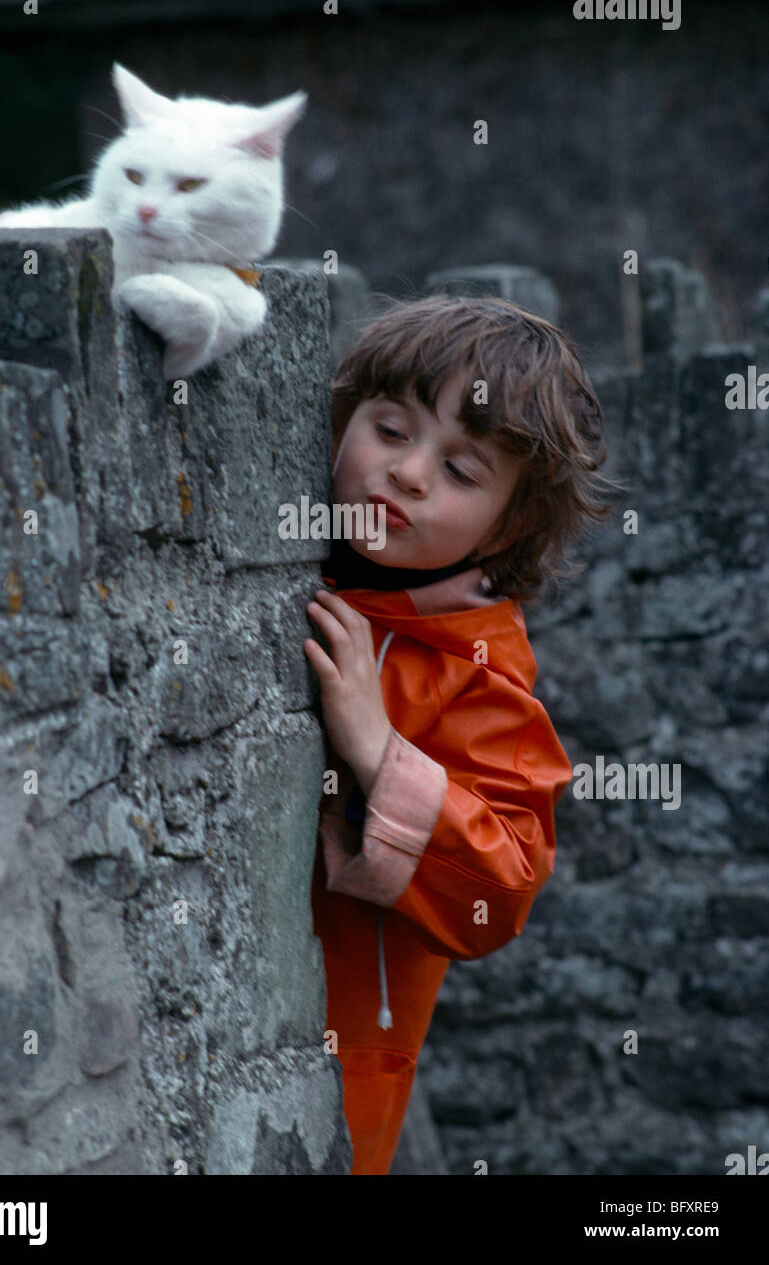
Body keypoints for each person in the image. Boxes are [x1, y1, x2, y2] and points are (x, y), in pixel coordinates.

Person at [305, 293, 624, 1175]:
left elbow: (508, 879)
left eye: (461, 470)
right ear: (338, 422)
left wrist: (377, 750)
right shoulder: (313, 558)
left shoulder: (476, 667)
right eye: (390, 428)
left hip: (331, 1079)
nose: (407, 473)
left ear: (509, 524)